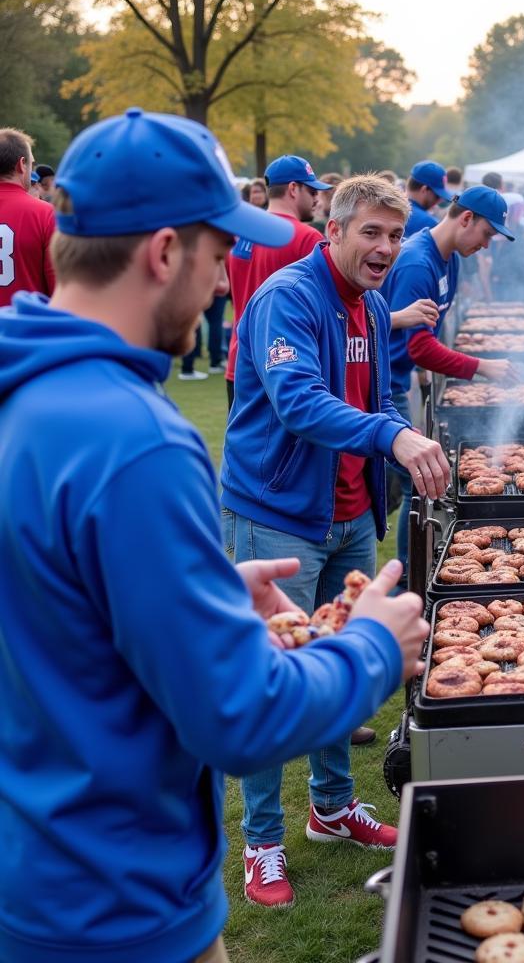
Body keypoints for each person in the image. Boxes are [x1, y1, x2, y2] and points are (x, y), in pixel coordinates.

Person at [0, 107, 431, 962]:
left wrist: (194, 598)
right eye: (218, 250)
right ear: (165, 253)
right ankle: (269, 836)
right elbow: (240, 717)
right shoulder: (136, 441)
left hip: (40, 871)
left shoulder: (30, 392)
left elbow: (58, 613)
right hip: (118, 903)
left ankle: (334, 806)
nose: (226, 280)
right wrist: (377, 648)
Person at [220, 173, 449, 908]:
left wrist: (398, 432)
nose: (385, 248)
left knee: (340, 665)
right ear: (336, 231)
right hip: (277, 514)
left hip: (351, 514)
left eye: (394, 234)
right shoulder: (289, 297)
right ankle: (261, 843)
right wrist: (393, 433)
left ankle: (332, 808)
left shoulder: (375, 305)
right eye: (371, 233)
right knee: (267, 675)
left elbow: (376, 394)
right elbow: (297, 402)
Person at [382, 186, 517, 578]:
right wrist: (482, 367)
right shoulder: (416, 263)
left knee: (416, 478)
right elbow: (420, 347)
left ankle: (411, 569)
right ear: (466, 218)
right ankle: (410, 575)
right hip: (385, 382)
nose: (487, 245)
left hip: (403, 379)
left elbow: (431, 333)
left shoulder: (450, 260)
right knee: (416, 478)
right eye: (488, 234)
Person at [222, 155, 329, 401]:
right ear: (293, 189)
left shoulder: (241, 232)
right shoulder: (307, 238)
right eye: (312, 191)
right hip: (286, 365)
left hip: (240, 361)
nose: (317, 199)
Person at [0, 128, 55, 309]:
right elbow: (59, 292)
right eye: (31, 163)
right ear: (22, 165)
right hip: (27, 333)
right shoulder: (46, 214)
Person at [405, 160, 451, 237]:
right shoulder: (429, 224)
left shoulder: (387, 208)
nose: (440, 200)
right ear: (424, 190)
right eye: (437, 195)